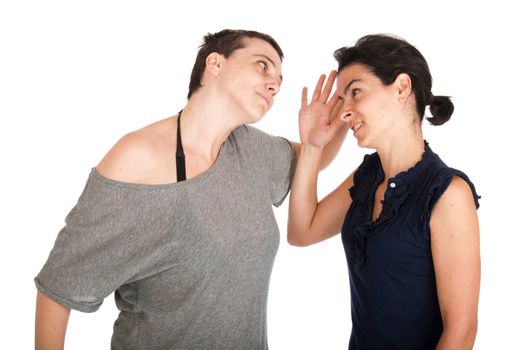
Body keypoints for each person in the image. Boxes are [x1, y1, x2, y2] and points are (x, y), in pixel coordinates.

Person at [34, 29, 347, 350]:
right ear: (215, 64)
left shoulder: (252, 149)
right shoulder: (138, 156)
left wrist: (345, 109)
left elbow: (314, 156)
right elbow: (60, 286)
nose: (274, 84)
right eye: (263, 66)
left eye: (279, 81)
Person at [288, 34, 480, 349]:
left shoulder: (448, 194)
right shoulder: (366, 176)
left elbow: (461, 331)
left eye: (355, 93)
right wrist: (311, 146)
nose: (344, 112)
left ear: (402, 88)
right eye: (341, 99)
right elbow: (301, 232)